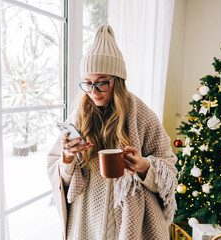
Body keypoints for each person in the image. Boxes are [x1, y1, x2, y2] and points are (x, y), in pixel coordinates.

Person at [47, 24, 178, 240]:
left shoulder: (143, 116)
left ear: (118, 81)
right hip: (85, 219)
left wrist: (144, 166)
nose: (93, 91)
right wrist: (68, 158)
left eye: (102, 83)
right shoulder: (78, 115)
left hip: (129, 220)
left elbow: (169, 172)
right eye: (87, 84)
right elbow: (61, 175)